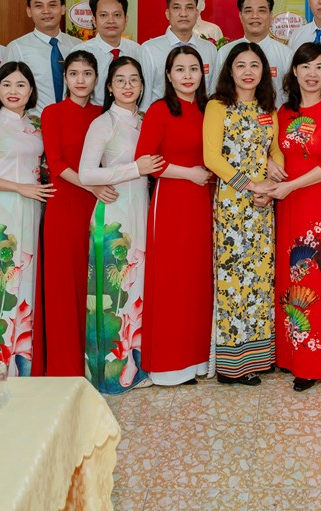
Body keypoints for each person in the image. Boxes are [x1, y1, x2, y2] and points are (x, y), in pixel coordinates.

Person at [271, 42, 321, 391]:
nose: (312, 73)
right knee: (289, 276)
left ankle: (316, 361)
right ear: (294, 72)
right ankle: (290, 355)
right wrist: (271, 166)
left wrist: (291, 185)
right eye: (305, 67)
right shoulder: (283, 113)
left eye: (319, 67)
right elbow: (271, 149)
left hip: (319, 202)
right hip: (288, 204)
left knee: (316, 278)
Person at [79, 56, 160, 393]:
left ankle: (136, 365)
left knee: (136, 291)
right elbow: (86, 173)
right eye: (120, 80)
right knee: (112, 295)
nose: (128, 86)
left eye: (134, 80)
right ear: (109, 87)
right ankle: (108, 375)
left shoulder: (144, 121)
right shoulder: (104, 123)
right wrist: (135, 169)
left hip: (140, 211)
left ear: (142, 86)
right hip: (113, 217)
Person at [202, 42, 281, 385]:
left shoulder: (268, 108)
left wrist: (272, 181)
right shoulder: (218, 106)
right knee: (233, 281)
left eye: (254, 65)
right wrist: (251, 185)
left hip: (263, 206)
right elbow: (212, 157)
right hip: (233, 204)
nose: (248, 72)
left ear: (264, 71)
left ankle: (258, 358)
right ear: (229, 70)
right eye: (240, 65)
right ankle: (232, 365)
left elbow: (276, 149)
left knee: (260, 279)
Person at [0, 62, 53, 377]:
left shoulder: (37, 123)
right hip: (3, 208)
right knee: (1, 282)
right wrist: (19, 187)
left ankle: (27, 362)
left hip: (33, 206)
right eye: (6, 84)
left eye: (20, 85)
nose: (13, 91)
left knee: (28, 278)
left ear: (31, 90)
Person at [135, 46, 214, 386]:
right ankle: (169, 366)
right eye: (179, 69)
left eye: (193, 69)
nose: (187, 75)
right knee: (171, 279)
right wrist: (189, 174)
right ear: (168, 75)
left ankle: (196, 360)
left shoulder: (209, 110)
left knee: (197, 279)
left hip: (203, 202)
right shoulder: (159, 110)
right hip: (171, 200)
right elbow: (145, 160)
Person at [40, 50, 105, 377]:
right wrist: (92, 186)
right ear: (65, 78)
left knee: (96, 284)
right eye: (74, 73)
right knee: (64, 285)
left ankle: (96, 363)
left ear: (97, 79)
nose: (81, 80)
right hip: (65, 204)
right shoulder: (52, 113)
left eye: (87, 73)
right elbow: (57, 164)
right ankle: (64, 365)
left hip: (100, 205)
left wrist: (97, 190)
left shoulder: (103, 114)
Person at [213, 0, 293, 107]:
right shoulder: (225, 52)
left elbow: (290, 96)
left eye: (261, 11)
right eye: (249, 11)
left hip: (275, 117)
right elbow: (217, 91)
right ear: (241, 16)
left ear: (271, 16)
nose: (255, 16)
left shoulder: (286, 54)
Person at [140, 0, 217, 106]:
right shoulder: (150, 49)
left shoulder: (209, 49)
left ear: (197, 13)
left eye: (189, 8)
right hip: (161, 115)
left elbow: (212, 92)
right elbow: (145, 96)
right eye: (176, 8)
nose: (183, 14)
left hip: (200, 115)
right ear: (167, 14)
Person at [6, 0, 80, 111]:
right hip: (34, 120)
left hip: (73, 118)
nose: (46, 11)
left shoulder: (77, 46)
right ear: (29, 11)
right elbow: (7, 91)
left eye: (52, 5)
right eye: (38, 6)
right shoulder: (16, 48)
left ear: (63, 9)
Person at [70, 0, 143, 105]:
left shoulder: (137, 50)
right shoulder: (81, 52)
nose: (111, 21)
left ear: (126, 20)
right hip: (92, 113)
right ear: (94, 20)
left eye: (117, 15)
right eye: (103, 15)